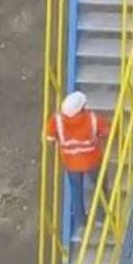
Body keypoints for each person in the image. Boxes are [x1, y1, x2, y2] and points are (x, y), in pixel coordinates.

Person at [47, 91, 110, 232]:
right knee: (100, 186)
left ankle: (81, 222)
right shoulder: (93, 119)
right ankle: (101, 217)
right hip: (92, 161)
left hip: (71, 163)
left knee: (76, 191)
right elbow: (106, 132)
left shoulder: (56, 121)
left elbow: (50, 138)